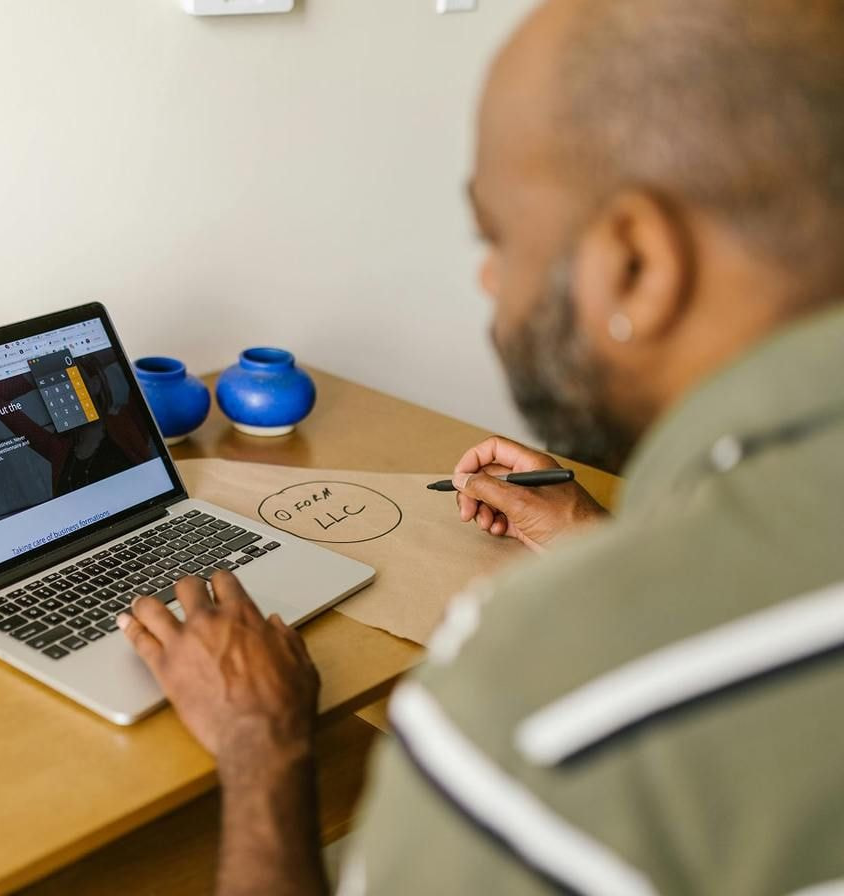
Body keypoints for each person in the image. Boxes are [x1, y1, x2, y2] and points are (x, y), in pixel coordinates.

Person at [116, 0, 844, 892]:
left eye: (498, 238)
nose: (490, 280)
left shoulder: (550, 697)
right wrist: (604, 543)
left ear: (638, 265)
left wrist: (261, 746)